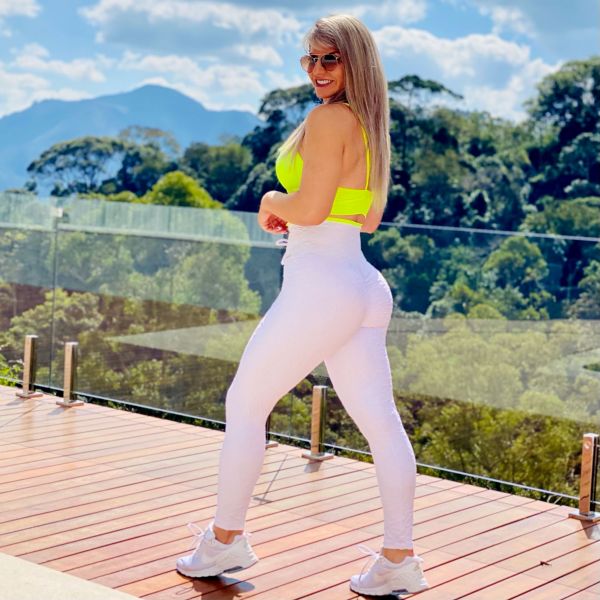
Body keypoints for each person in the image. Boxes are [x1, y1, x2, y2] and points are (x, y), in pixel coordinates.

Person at [176, 13, 429, 596]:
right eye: (309, 58)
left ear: (353, 62)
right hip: (362, 283)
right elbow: (365, 216)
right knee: (381, 424)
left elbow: (311, 208)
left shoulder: (327, 118)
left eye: (329, 58)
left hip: (321, 285)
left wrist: (272, 199)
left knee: (245, 403)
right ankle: (399, 557)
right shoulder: (368, 123)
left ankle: (225, 538)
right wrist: (299, 213)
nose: (316, 69)